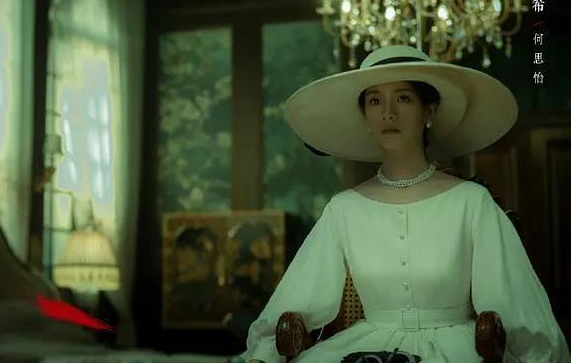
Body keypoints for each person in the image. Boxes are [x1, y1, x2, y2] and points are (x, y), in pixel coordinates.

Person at [239, 45, 571, 362]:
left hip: (456, 349)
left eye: (403, 98)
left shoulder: (471, 201)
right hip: (363, 345)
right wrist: (263, 355)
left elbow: (513, 304)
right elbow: (297, 298)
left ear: (429, 111)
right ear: (366, 117)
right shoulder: (344, 209)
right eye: (374, 101)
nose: (388, 113)